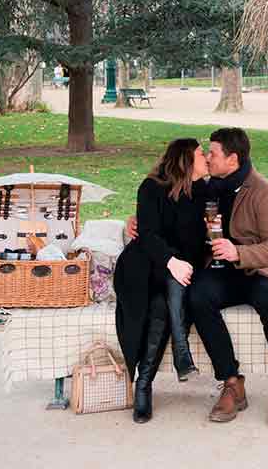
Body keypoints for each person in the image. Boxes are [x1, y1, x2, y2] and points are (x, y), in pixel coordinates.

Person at [188, 126, 268, 427]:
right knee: (197, 295)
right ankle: (231, 382)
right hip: (223, 273)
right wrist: (136, 220)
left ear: (233, 159)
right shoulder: (209, 187)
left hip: (260, 269)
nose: (207, 158)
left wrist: (239, 252)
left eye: (212, 153)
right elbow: (167, 198)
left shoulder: (266, 193)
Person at [114, 137, 209, 424]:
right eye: (201, 154)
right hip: (142, 266)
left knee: (162, 305)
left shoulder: (204, 190)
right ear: (186, 160)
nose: (206, 158)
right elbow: (149, 235)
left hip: (177, 272)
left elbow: (197, 242)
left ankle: (143, 385)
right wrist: (172, 261)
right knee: (170, 283)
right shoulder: (151, 188)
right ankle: (181, 354)